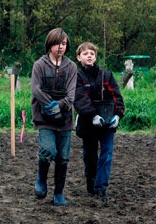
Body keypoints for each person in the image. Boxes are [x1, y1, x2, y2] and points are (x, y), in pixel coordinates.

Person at [31, 28, 77, 206]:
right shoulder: (39, 65)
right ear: (50, 44)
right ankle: (41, 178)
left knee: (63, 157)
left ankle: (59, 193)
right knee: (48, 150)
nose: (61, 47)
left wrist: (60, 106)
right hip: (44, 117)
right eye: (58, 43)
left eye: (64, 44)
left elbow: (71, 95)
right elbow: (36, 89)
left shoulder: (71, 66)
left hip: (65, 118)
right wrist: (50, 105)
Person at [74, 42, 125, 201]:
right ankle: (91, 181)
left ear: (95, 57)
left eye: (92, 53)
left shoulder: (106, 75)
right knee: (89, 155)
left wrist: (117, 115)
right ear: (78, 57)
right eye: (85, 53)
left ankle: (101, 187)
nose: (89, 55)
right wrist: (93, 115)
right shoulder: (77, 77)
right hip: (88, 123)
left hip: (107, 122)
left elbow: (117, 97)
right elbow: (79, 99)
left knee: (107, 153)